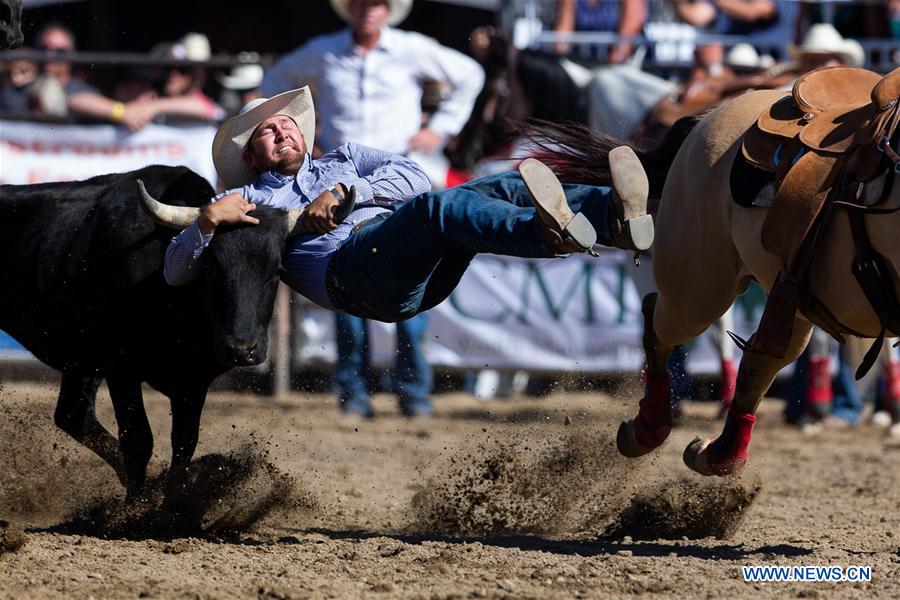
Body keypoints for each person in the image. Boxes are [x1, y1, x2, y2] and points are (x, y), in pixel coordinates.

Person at [162, 89, 655, 420]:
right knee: (439, 209)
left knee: (498, 186)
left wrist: (343, 191)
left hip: (403, 268)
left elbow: (414, 176)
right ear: (251, 159)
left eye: (286, 124)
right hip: (354, 274)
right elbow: (175, 269)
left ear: (304, 134)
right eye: (266, 133)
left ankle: (614, 217)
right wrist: (206, 221)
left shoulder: (346, 158)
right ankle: (551, 236)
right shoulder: (252, 204)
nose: (282, 132)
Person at [259, 0, 485, 420]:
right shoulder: (324, 51)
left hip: (392, 177)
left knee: (403, 286)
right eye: (361, 2)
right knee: (350, 288)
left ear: (386, 11)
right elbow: (271, 82)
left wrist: (440, 128)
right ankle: (359, 395)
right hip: (341, 183)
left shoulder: (409, 48)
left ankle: (409, 395)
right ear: (350, 9)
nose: (368, 9)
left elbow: (472, 75)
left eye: (376, 3)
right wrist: (313, 153)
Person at [553, 0, 648, 62]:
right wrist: (563, 61)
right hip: (582, 60)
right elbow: (564, 28)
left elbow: (630, 28)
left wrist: (612, 65)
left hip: (620, 61)